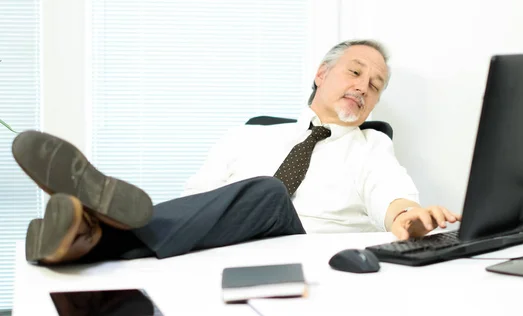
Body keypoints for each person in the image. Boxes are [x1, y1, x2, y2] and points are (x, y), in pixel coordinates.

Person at [14, 39, 461, 265]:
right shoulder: (246, 136)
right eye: (355, 72)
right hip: (223, 249)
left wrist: (409, 219)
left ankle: (94, 232)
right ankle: (85, 237)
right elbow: (196, 205)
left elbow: (392, 197)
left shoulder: (371, 145)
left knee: (268, 194)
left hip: (304, 252)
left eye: (375, 85)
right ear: (322, 74)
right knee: (250, 195)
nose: (363, 86)